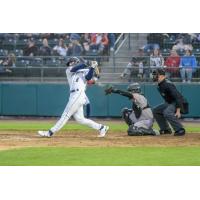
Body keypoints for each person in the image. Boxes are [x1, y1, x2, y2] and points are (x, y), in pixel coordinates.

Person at [38, 57, 109, 137]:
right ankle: (102, 127)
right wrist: (88, 64)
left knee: (65, 115)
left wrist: (92, 69)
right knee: (80, 119)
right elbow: (75, 68)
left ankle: (50, 132)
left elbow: (89, 78)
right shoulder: (69, 70)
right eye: (70, 62)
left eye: (71, 62)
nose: (70, 64)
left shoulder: (84, 71)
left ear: (76, 62)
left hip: (78, 94)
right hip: (74, 95)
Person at [152, 68, 189, 136]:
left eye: (156, 75)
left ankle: (180, 129)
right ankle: (166, 129)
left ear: (162, 76)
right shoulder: (160, 84)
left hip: (180, 103)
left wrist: (178, 110)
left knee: (167, 112)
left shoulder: (167, 84)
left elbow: (178, 97)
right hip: (171, 102)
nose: (154, 76)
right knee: (156, 110)